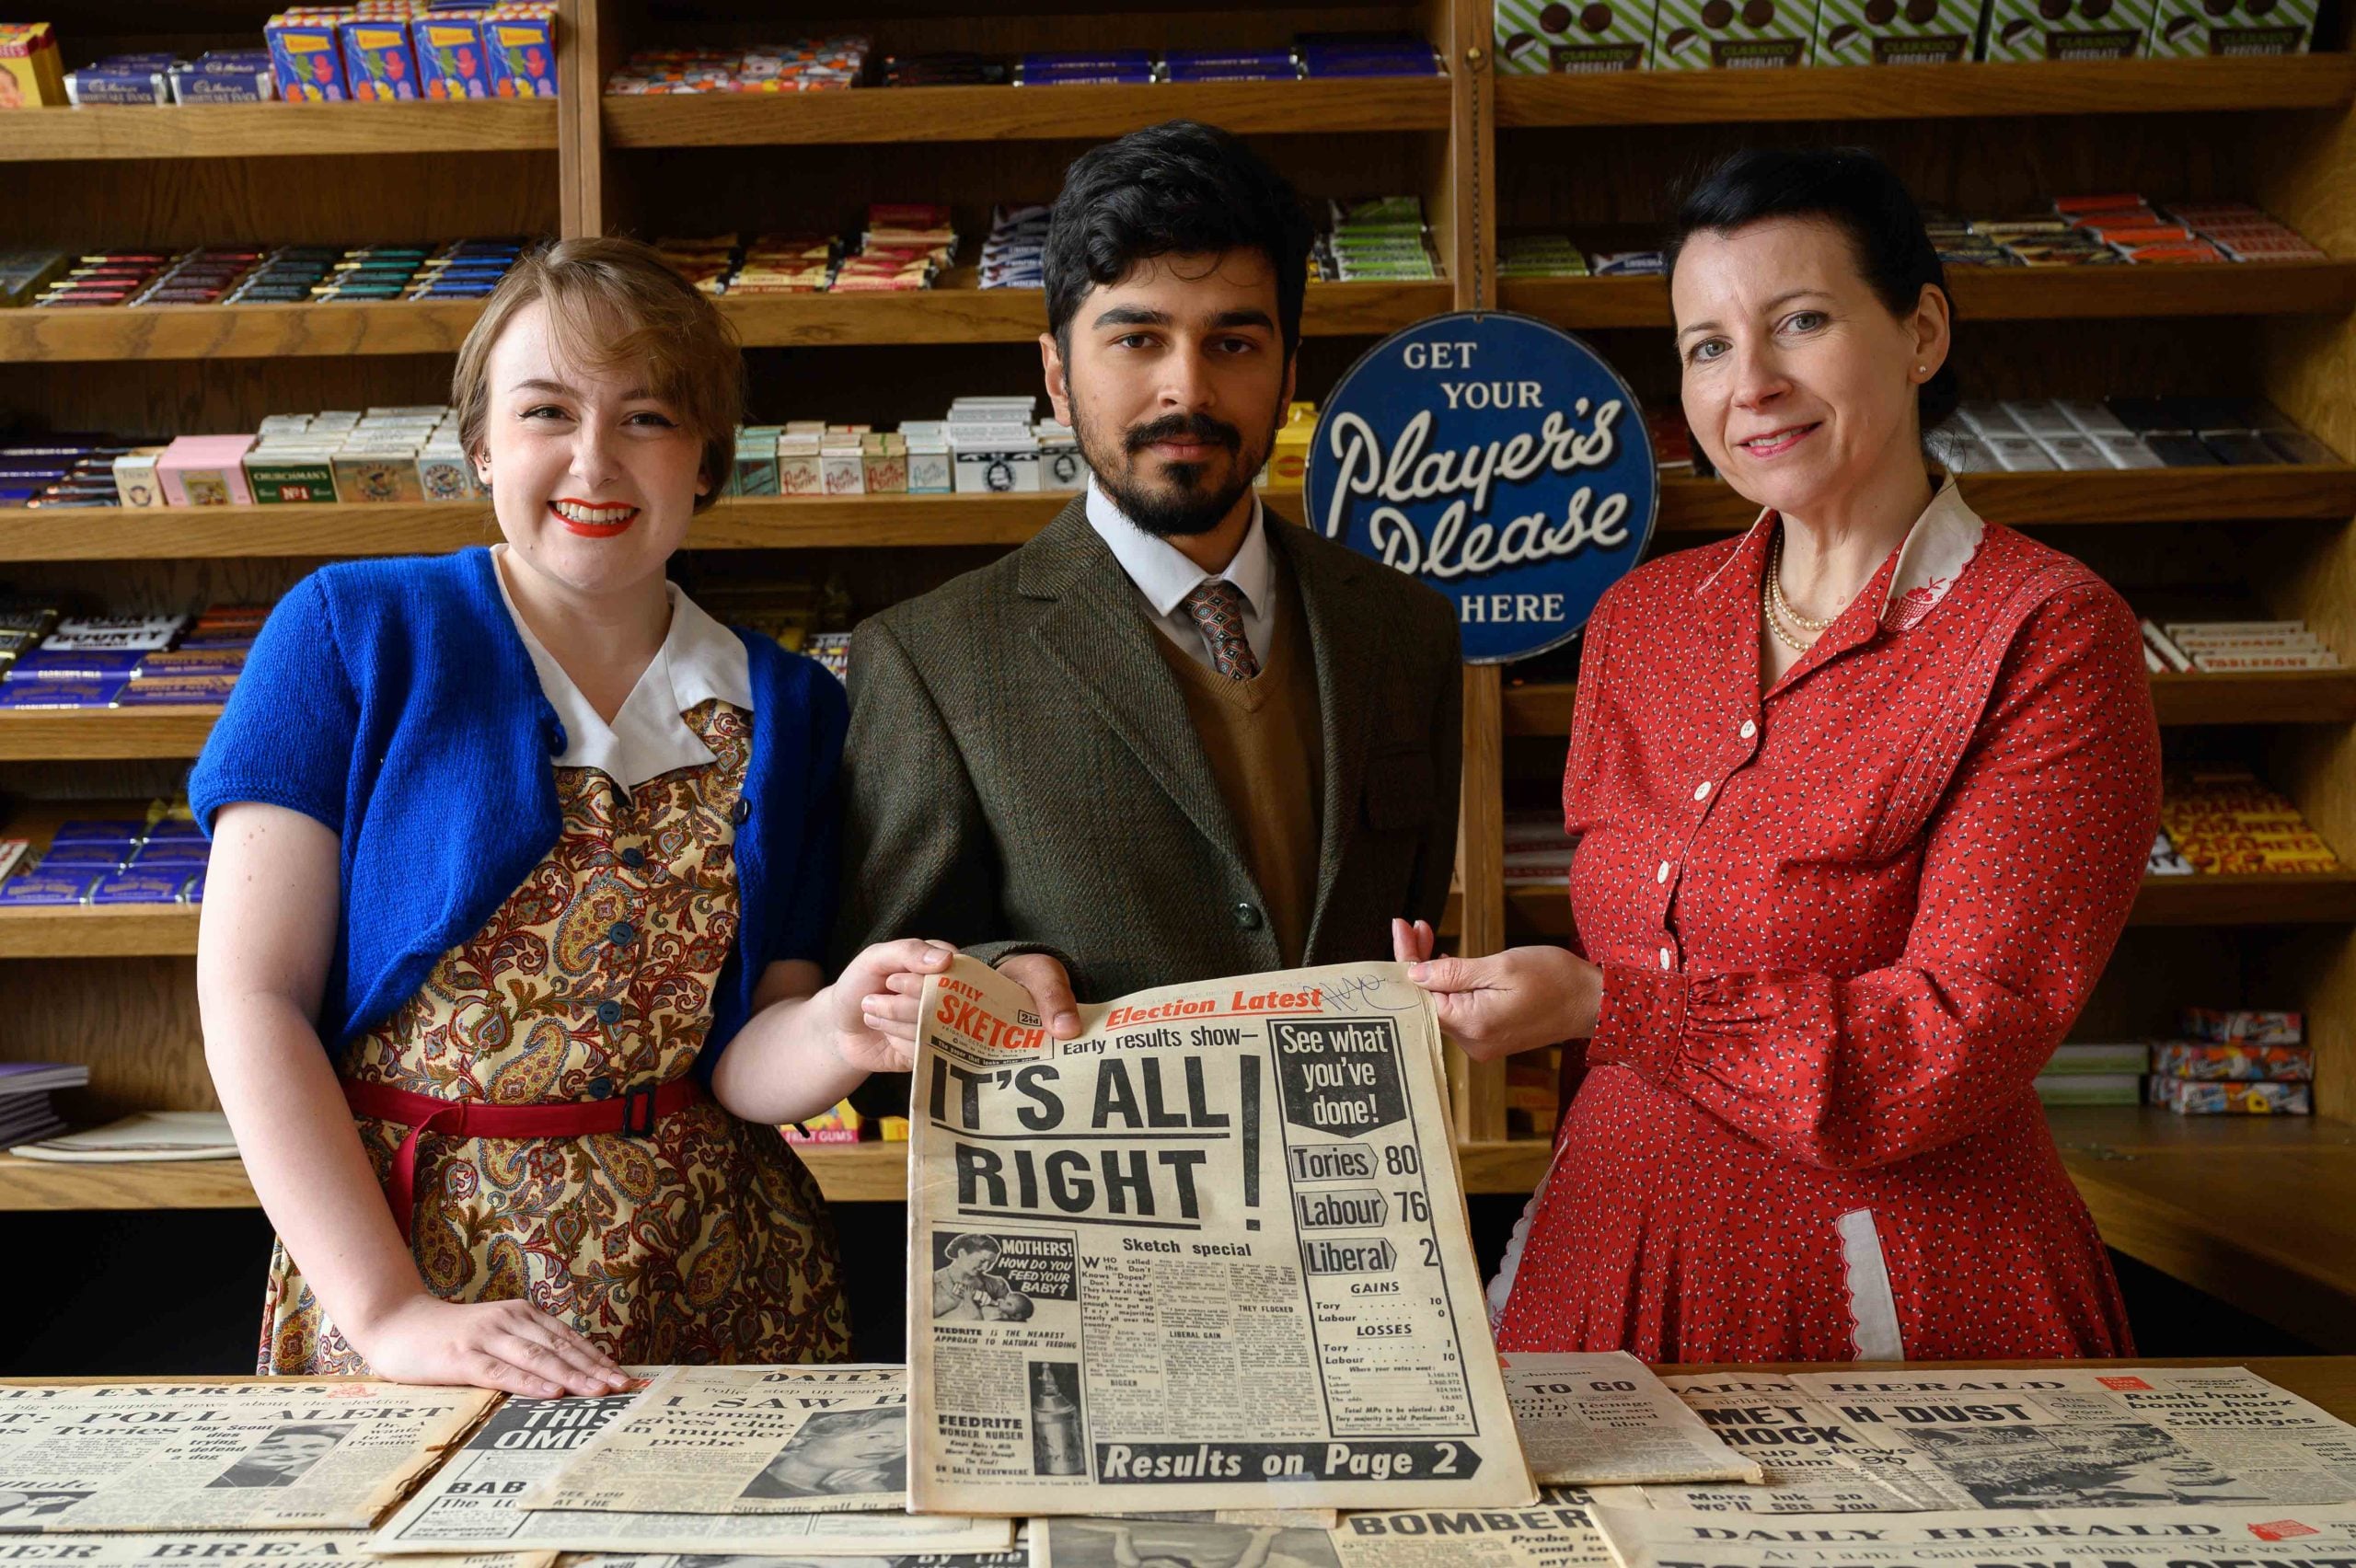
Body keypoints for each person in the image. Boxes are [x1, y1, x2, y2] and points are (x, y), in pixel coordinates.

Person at [1397, 146, 2159, 1361]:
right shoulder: (1640, 623)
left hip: (1902, 1291)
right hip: (1606, 1261)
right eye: (1705, 346)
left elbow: (1954, 1038)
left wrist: (1611, 1008)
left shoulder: (2050, 632)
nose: (1749, 384)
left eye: (1797, 323)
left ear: (1921, 333)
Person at [192, 237, 953, 1395]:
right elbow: (251, 998)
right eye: (547, 411)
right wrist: (390, 1310)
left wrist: (843, 1032)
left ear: (706, 459)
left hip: (721, 1275)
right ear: (482, 443)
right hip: (420, 1275)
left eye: (647, 417)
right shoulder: (353, 633)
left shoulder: (795, 707)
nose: (595, 462)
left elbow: (750, 1062)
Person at [841, 120, 1461, 1044]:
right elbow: (890, 964)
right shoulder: (931, 659)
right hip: (1088, 1182)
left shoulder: (1406, 626)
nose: (1187, 390)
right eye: (1136, 340)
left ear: (1290, 370)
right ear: (1057, 375)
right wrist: (998, 969)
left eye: (1234, 345)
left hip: (1345, 1173)